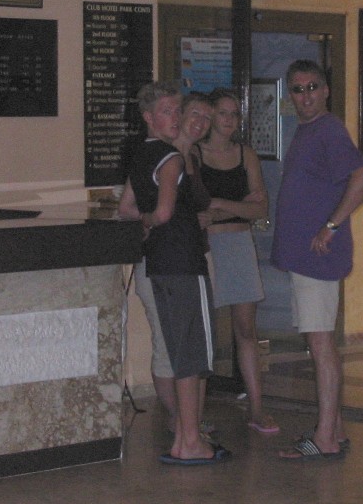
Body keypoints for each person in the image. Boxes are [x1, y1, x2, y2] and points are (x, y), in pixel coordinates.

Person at [119, 82, 229, 465]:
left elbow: (126, 207)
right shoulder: (170, 158)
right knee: (191, 354)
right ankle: (189, 442)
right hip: (182, 262)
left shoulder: (141, 154)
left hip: (158, 264)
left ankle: (184, 435)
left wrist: (144, 220)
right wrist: (152, 219)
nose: (175, 118)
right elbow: (163, 212)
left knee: (179, 349)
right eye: (167, 111)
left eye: (177, 110)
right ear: (149, 117)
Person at [271, 60, 363, 460]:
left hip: (318, 256)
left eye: (312, 86)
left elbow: (362, 178)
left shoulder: (329, 129)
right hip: (304, 257)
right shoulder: (308, 130)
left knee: (320, 344)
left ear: (326, 89)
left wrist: (331, 226)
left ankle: (325, 438)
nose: (306, 95)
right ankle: (336, 429)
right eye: (298, 89)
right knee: (318, 340)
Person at [198, 87, 279, 434]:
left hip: (238, 244)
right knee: (203, 332)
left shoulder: (245, 155)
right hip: (205, 246)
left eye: (235, 114)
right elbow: (196, 212)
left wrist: (220, 204)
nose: (230, 120)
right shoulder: (194, 153)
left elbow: (260, 208)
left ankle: (256, 408)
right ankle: (193, 414)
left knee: (246, 329)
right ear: (210, 116)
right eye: (223, 113)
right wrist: (235, 206)